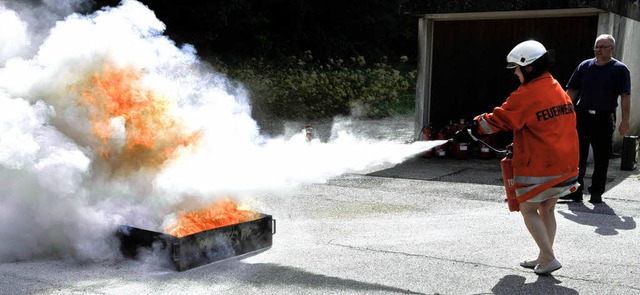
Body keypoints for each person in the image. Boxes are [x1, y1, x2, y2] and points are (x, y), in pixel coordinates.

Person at [454, 40, 579, 275]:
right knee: (547, 208)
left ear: (529, 67)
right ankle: (544, 256)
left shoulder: (528, 94)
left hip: (544, 165)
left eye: (517, 69)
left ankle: (550, 258)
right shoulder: (554, 87)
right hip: (566, 162)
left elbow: (501, 118)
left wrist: (473, 128)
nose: (515, 74)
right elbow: (545, 125)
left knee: (527, 208)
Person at [560, 34, 631, 204]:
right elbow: (571, 92)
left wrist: (625, 120)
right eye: (596, 46)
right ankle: (575, 191)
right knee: (578, 156)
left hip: (604, 117)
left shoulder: (620, 69)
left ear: (611, 49)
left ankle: (596, 192)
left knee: (601, 156)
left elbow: (625, 96)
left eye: (603, 47)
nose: (598, 50)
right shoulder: (585, 66)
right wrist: (564, 115)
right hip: (582, 115)